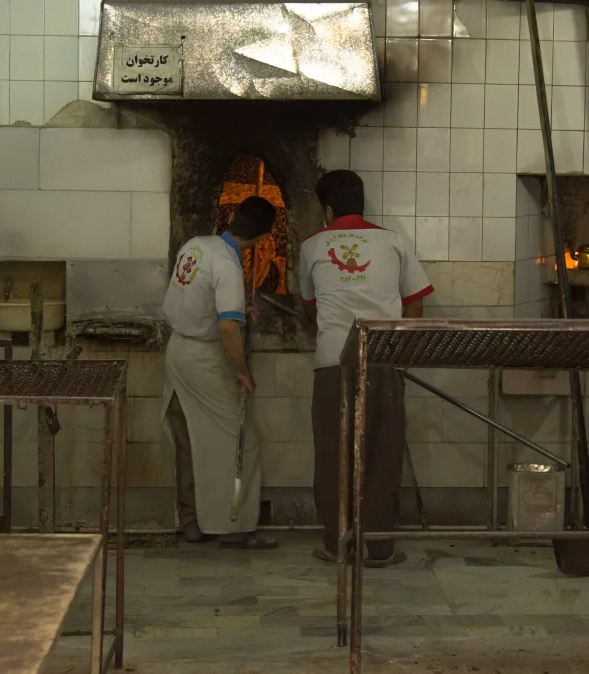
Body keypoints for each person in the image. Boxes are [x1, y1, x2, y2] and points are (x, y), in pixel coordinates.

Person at [299, 170, 434, 568]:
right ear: (362, 203)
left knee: (332, 454)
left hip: (331, 363)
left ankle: (335, 543)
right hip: (381, 359)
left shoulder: (311, 246)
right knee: (381, 452)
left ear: (327, 209)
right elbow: (416, 303)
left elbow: (310, 308)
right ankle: (379, 548)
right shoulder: (394, 242)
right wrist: (399, 351)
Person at [161, 196, 278, 549]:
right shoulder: (228, 263)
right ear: (261, 237)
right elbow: (228, 329)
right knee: (243, 441)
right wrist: (242, 370)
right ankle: (236, 527)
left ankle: (192, 521)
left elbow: (198, 298)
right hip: (202, 357)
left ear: (233, 217)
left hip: (177, 349)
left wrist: (238, 308)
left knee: (189, 440)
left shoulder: (196, 245)